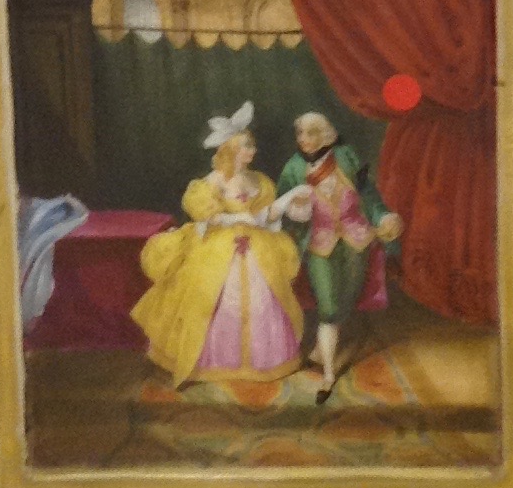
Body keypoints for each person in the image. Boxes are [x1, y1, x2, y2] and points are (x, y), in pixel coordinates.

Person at [132, 103, 303, 387]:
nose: (253, 151)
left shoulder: (258, 180)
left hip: (257, 247)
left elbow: (268, 214)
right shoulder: (211, 182)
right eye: (247, 146)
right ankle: (213, 362)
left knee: (263, 302)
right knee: (212, 300)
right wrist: (237, 217)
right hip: (219, 251)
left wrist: (289, 203)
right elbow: (207, 218)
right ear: (231, 148)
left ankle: (262, 361)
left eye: (252, 146)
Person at [276, 110, 403, 400]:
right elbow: (284, 212)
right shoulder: (294, 168)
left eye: (311, 134)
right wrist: (296, 210)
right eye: (300, 134)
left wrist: (383, 216)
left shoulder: (346, 156)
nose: (304, 140)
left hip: (358, 240)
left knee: (347, 301)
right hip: (320, 245)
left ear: (325, 135)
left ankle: (322, 349)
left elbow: (368, 194)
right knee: (329, 309)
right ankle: (329, 375)